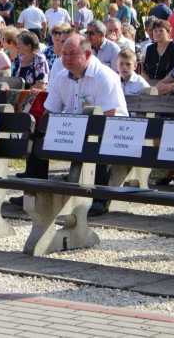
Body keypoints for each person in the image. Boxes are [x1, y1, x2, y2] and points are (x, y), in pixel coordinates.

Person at [44, 34, 128, 216]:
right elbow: (49, 112)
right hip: (77, 131)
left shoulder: (104, 76)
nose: (67, 59)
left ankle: (100, 198)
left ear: (88, 54)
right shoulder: (60, 77)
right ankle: (35, 191)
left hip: (115, 132)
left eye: (72, 54)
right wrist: (47, 131)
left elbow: (108, 117)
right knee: (38, 137)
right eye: (64, 54)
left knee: (101, 140)